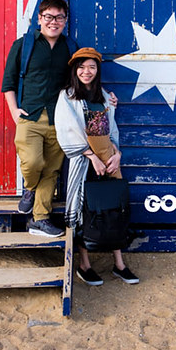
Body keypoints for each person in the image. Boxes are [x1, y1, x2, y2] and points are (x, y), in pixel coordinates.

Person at [54, 47, 139, 285]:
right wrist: (91, 156)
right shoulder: (68, 97)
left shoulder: (103, 97)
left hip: (109, 159)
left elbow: (112, 129)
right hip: (84, 162)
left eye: (91, 67)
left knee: (114, 208)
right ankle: (84, 265)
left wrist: (117, 154)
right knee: (86, 210)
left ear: (97, 70)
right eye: (81, 67)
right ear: (74, 70)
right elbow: (66, 129)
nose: (86, 71)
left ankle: (119, 264)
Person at [1, 0, 76, 238]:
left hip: (60, 118)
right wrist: (14, 110)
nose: (54, 22)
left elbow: (83, 79)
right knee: (33, 163)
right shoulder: (23, 45)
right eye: (49, 17)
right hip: (30, 116)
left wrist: (107, 96)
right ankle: (30, 189)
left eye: (59, 17)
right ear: (40, 19)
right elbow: (8, 82)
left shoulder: (71, 48)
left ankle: (40, 219)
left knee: (52, 170)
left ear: (65, 20)